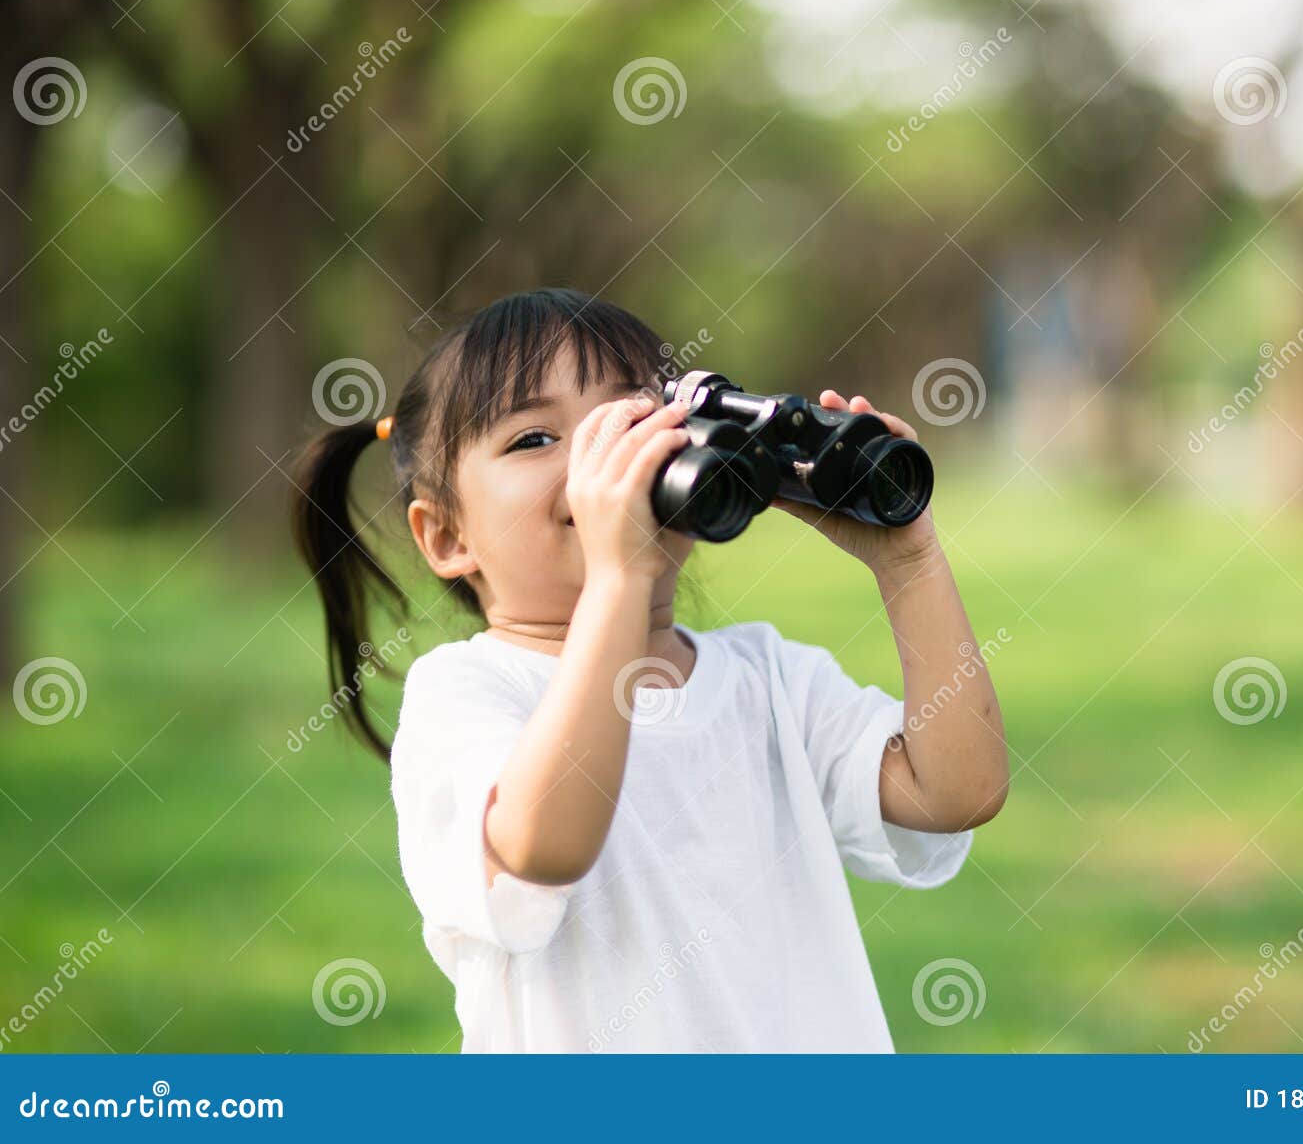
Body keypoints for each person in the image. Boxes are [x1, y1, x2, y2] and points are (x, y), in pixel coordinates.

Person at [290, 288, 1008, 1051]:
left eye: (635, 421)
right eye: (535, 438)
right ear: (444, 536)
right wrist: (618, 582)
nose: (605, 460)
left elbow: (960, 789)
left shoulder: (768, 680)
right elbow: (544, 843)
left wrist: (908, 560)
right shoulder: (465, 695)